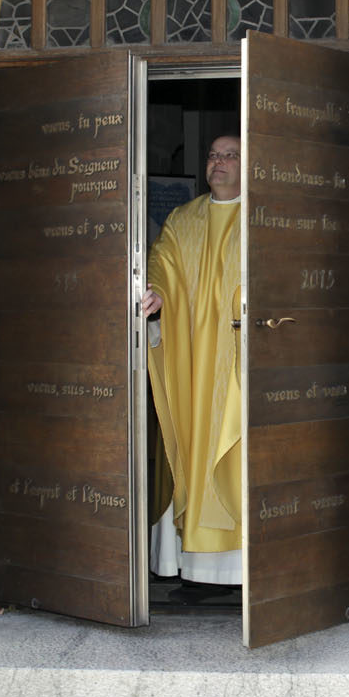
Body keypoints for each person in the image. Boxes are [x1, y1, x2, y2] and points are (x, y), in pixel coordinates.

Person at [138, 135, 244, 590]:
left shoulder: (265, 214)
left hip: (243, 362)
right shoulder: (184, 219)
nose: (218, 163)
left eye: (230, 155)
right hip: (196, 360)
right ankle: (195, 565)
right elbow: (161, 261)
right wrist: (158, 292)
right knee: (195, 438)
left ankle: (246, 564)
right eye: (213, 155)